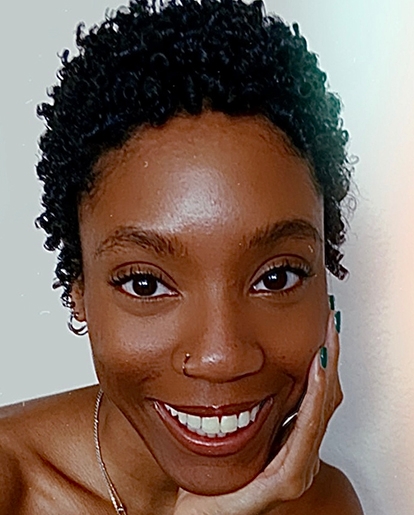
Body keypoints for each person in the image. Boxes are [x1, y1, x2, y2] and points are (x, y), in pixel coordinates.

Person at [0, 0, 364, 513]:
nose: (222, 357)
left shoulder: (319, 502)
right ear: (78, 289)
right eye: (145, 284)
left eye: (277, 277)